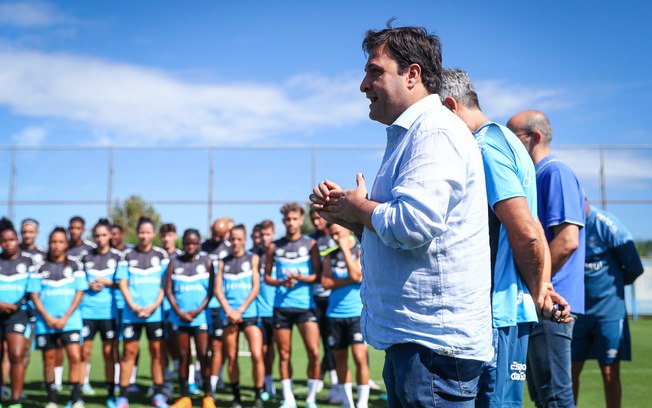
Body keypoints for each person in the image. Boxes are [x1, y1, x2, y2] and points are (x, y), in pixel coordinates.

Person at [310, 24, 493, 406]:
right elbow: (405, 235)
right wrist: (349, 215)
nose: (363, 85)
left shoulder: (434, 132)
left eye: (375, 71)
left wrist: (360, 207)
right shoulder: (413, 134)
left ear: (413, 74)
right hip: (418, 345)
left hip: (432, 350)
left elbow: (413, 224)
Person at [438, 69, 570, 407]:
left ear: (451, 106)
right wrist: (541, 282)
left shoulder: (485, 146)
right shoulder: (507, 141)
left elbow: (525, 230)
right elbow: (533, 229)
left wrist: (539, 288)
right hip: (508, 309)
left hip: (498, 313)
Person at [507, 109, 586, 407]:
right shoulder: (536, 176)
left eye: (513, 137)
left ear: (534, 137)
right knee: (545, 398)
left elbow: (567, 241)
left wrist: (536, 285)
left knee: (555, 398)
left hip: (552, 304)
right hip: (541, 302)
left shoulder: (554, 172)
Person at [572, 202, 644, 408]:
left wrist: (610, 291)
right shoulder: (568, 225)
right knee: (570, 370)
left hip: (608, 313)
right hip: (577, 314)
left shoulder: (607, 224)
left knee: (609, 371)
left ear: (584, 202)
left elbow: (634, 267)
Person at [264, 203, 322, 408]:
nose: (291, 223)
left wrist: (301, 278)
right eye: (288, 219)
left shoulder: (311, 244)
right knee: (284, 354)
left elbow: (318, 276)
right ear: (284, 221)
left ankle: (310, 399)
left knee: (314, 352)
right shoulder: (274, 246)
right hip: (282, 307)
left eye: (295, 219)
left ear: (301, 220)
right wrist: (281, 282)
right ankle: (288, 399)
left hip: (305, 307)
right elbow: (267, 277)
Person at [27, 227, 88, 408]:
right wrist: (47, 317)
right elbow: (34, 295)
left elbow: (79, 292)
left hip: (71, 321)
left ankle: (76, 398)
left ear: (66, 244)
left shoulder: (75, 265)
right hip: (45, 323)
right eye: (54, 241)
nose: (57, 245)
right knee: (49, 360)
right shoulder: (39, 266)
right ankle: (52, 400)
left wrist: (66, 316)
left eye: (61, 241)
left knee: (75, 357)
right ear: (49, 244)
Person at [114, 217, 170, 408]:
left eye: (148, 232)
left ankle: (159, 393)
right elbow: (122, 283)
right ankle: (122, 395)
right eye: (141, 232)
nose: (144, 236)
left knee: (157, 353)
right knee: (129, 353)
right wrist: (133, 305)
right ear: (137, 234)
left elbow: (165, 285)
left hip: (155, 313)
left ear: (153, 234)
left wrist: (154, 306)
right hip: (132, 313)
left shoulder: (162, 255)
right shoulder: (127, 256)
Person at [215, 225, 267, 408]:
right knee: (231, 356)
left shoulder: (253, 258)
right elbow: (218, 289)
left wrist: (241, 310)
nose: (235, 242)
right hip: (229, 315)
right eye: (232, 239)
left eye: (239, 239)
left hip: (249, 314)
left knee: (257, 354)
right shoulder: (223, 262)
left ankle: (258, 396)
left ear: (245, 239)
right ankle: (236, 398)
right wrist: (230, 311)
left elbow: (255, 287)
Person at [321, 223, 370, 408]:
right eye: (332, 235)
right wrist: (348, 279)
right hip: (334, 315)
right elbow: (325, 283)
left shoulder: (360, 250)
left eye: (337, 233)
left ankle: (362, 403)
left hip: (356, 313)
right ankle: (347, 403)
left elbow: (357, 276)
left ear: (346, 229)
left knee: (359, 356)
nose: (335, 237)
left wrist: (344, 249)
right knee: (340, 360)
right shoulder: (329, 256)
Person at [165, 229, 216, 408]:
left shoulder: (207, 262)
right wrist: (179, 311)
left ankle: (208, 395)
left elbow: (210, 291)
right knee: (183, 356)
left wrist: (196, 311)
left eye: (194, 243)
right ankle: (185, 396)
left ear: (199, 244)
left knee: (203, 354)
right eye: (188, 243)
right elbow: (168, 290)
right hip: (179, 318)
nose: (191, 246)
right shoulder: (174, 262)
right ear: (183, 243)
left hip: (200, 317)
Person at [79, 219, 123, 405]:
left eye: (104, 235)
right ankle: (78, 394)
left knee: (109, 354)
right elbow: (77, 280)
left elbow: (123, 284)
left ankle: (111, 392)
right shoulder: (85, 257)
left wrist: (107, 282)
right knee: (84, 353)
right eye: (97, 235)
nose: (100, 238)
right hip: (88, 312)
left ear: (110, 236)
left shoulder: (117, 257)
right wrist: (88, 284)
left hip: (109, 312)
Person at [0, 218, 34, 408]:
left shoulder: (28, 262)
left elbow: (33, 290)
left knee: (16, 354)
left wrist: (15, 304)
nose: (8, 243)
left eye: (11, 239)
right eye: (4, 240)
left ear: (17, 240)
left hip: (18, 313)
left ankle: (15, 399)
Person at [309, 210, 339, 401]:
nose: (315, 220)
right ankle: (332, 382)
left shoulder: (337, 236)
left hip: (334, 297)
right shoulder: (311, 240)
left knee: (333, 342)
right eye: (312, 217)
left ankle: (332, 382)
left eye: (318, 216)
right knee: (322, 341)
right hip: (316, 297)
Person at [201, 218, 232, 393]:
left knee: (218, 345)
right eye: (214, 234)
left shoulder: (229, 249)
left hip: (220, 305)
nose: (217, 238)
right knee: (204, 346)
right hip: (203, 305)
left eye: (220, 235)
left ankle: (216, 377)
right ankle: (202, 376)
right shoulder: (202, 248)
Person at [159, 224, 185, 393]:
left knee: (180, 345)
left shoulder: (182, 257)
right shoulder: (157, 256)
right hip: (158, 308)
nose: (167, 239)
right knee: (161, 345)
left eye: (169, 235)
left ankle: (186, 378)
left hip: (176, 309)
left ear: (175, 236)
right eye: (164, 235)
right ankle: (163, 381)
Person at [254, 220, 278, 398]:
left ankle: (271, 383)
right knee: (262, 350)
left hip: (278, 310)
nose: (264, 238)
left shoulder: (280, 254)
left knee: (276, 350)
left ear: (273, 234)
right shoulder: (252, 257)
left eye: (267, 234)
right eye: (261, 235)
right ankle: (263, 385)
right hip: (260, 311)